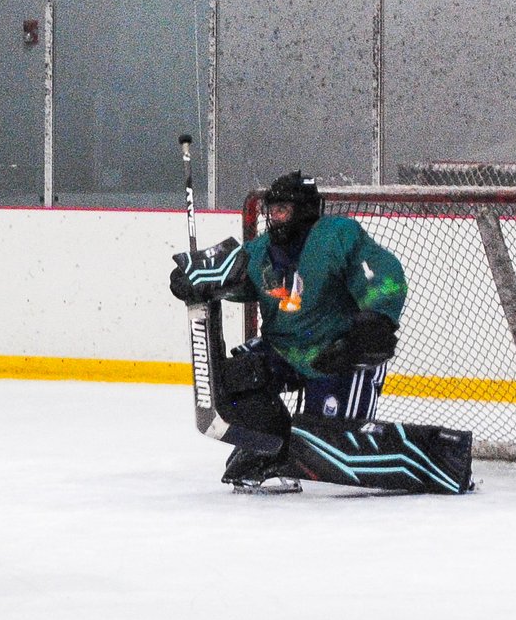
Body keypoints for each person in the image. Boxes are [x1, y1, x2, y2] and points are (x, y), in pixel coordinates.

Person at [172, 172, 467, 495]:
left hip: (338, 353)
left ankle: (432, 459)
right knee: (235, 379)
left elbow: (383, 273)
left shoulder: (338, 236)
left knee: (325, 445)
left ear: (304, 210)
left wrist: (377, 322)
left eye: (283, 210)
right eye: (272, 210)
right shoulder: (260, 251)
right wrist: (193, 279)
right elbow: (229, 276)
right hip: (285, 349)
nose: (274, 218)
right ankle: (275, 448)